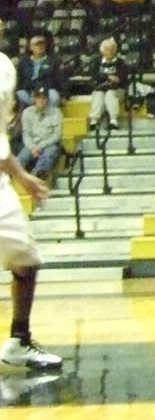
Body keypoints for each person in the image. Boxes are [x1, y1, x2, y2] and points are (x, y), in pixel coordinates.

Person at [0, 47, 63, 372]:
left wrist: (21, 176)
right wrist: (23, 177)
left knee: (27, 260)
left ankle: (19, 342)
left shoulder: (4, 68)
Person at [17, 87, 63, 182]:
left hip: (49, 144)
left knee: (49, 154)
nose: (41, 100)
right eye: (38, 98)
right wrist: (33, 147)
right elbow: (26, 134)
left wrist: (40, 146)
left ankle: (36, 177)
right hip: (32, 144)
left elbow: (56, 136)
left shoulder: (56, 112)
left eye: (44, 98)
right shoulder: (27, 113)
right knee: (21, 157)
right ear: (34, 99)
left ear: (48, 99)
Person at [87, 37, 129, 131]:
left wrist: (104, 77)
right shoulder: (97, 63)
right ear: (102, 51)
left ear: (115, 50)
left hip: (117, 89)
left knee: (110, 94)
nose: (109, 52)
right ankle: (94, 121)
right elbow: (94, 76)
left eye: (111, 49)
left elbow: (121, 78)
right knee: (98, 95)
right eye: (106, 49)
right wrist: (108, 77)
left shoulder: (120, 63)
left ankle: (113, 120)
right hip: (100, 88)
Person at [16, 36, 63, 109]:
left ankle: (48, 117)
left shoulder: (54, 61)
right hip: (30, 91)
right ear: (31, 47)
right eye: (37, 44)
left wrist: (65, 95)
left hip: (47, 91)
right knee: (19, 94)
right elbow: (19, 80)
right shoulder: (23, 62)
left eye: (42, 44)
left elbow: (61, 79)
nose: (40, 46)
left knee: (54, 96)